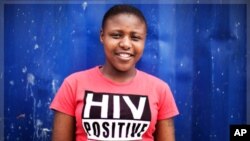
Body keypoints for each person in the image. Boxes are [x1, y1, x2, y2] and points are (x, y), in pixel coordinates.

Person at [50, 4, 179, 141]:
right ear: (102, 36)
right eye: (116, 35)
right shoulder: (73, 84)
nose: (125, 44)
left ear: (144, 40)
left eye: (135, 38)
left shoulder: (160, 90)